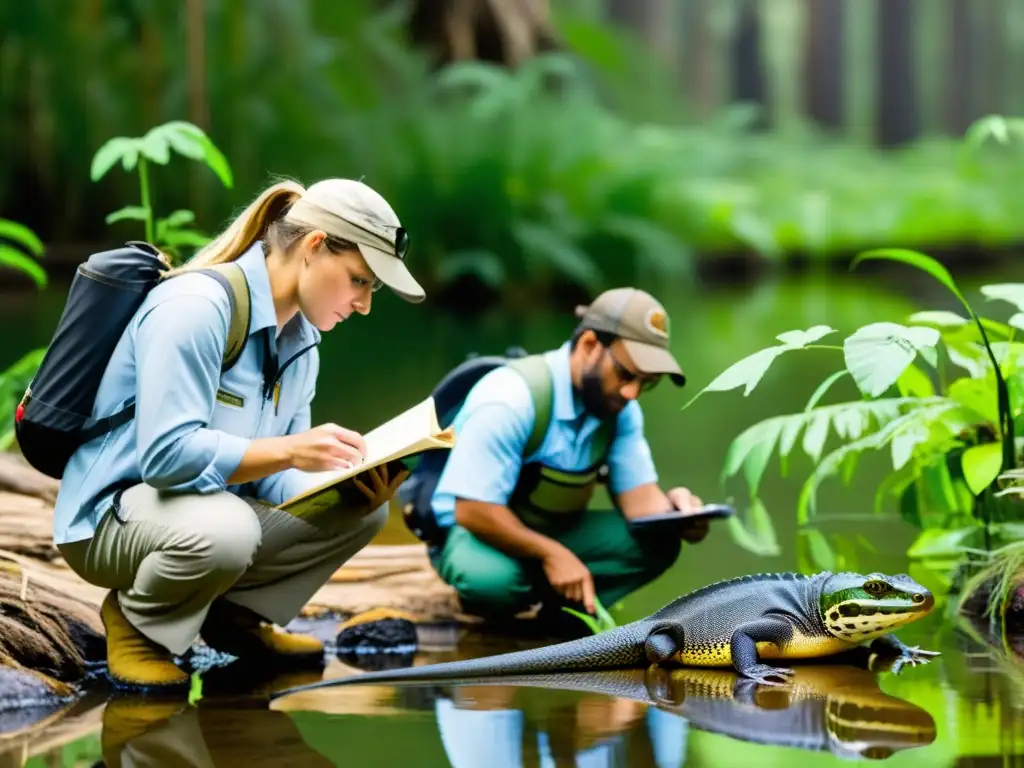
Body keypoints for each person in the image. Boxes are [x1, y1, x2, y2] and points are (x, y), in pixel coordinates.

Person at [51, 177, 425, 691]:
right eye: (360, 279)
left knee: (363, 510)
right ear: (314, 247)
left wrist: (351, 484)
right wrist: (293, 450)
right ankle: (139, 628)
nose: (364, 303)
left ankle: (233, 619)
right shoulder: (196, 308)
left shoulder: (302, 343)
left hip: (200, 516)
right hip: (107, 522)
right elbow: (164, 458)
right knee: (229, 529)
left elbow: (272, 484)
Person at [426, 288, 713, 624]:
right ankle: (510, 597)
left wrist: (680, 515)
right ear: (590, 345)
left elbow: (643, 508)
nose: (632, 392)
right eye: (626, 374)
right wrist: (553, 554)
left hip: (551, 528)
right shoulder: (510, 398)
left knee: (659, 543)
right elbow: (473, 510)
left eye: (647, 383)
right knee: (493, 584)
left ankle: (559, 616)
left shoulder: (620, 409)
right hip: (475, 529)